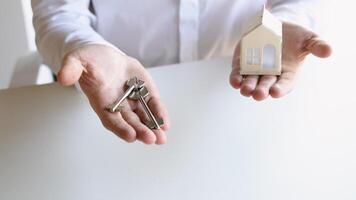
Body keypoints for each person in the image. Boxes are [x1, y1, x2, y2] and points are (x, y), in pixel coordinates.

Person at [31, 0, 332, 145]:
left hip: (238, 107)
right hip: (101, 117)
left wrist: (283, 23)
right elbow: (58, 15)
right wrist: (84, 45)